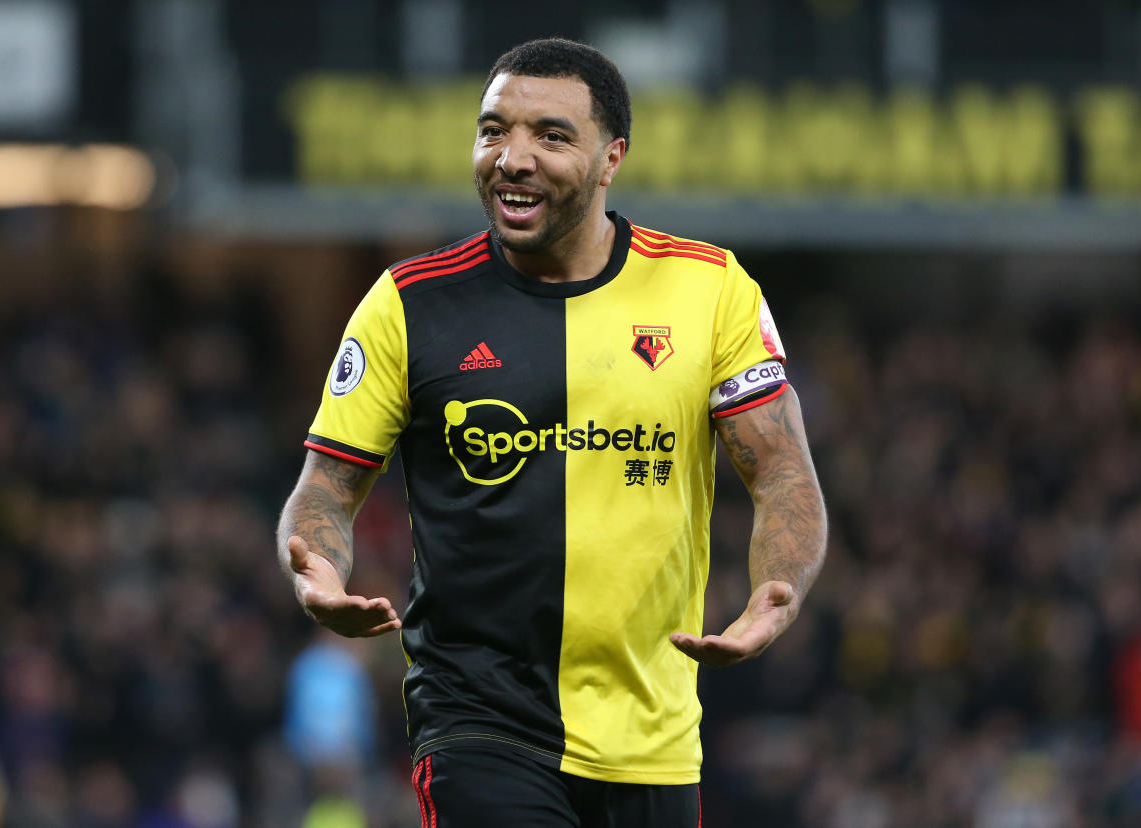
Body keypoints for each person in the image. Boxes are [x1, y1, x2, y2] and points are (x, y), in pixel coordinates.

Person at [277, 37, 828, 828]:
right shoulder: (409, 304)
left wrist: (780, 587)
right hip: (478, 722)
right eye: (494, 129)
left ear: (612, 159)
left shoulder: (711, 291)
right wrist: (318, 572)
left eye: (551, 135)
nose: (513, 157)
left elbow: (782, 474)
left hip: (656, 740)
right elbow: (324, 491)